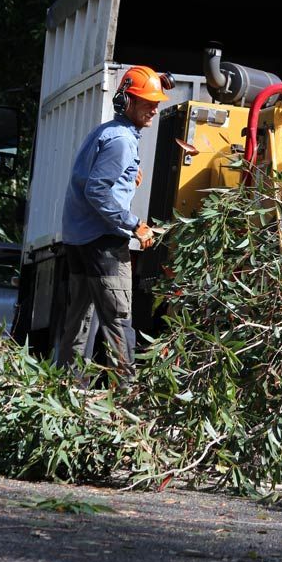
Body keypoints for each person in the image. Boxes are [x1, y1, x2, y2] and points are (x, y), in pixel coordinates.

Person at [57, 65, 173, 377]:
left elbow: (89, 181)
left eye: (156, 102)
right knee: (118, 322)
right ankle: (127, 398)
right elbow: (97, 191)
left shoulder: (106, 132)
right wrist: (135, 224)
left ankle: (66, 393)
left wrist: (126, 179)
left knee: (78, 322)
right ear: (127, 102)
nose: (154, 109)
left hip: (79, 239)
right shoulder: (121, 140)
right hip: (104, 243)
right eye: (147, 102)